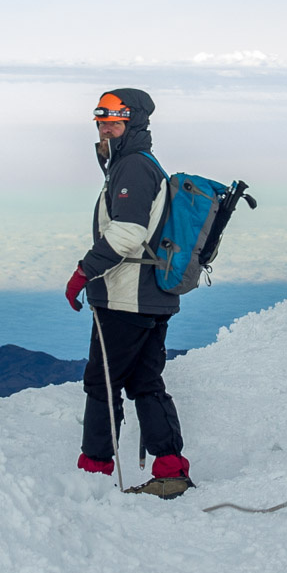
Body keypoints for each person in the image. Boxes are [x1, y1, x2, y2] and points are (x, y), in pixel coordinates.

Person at [63, 88, 192, 498]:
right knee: (145, 382)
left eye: (114, 121)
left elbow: (127, 233)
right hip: (149, 297)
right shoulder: (136, 164)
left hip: (126, 297)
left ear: (132, 124)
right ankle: (171, 469)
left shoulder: (133, 168)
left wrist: (84, 272)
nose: (105, 128)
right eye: (100, 121)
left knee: (102, 382)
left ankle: (94, 471)